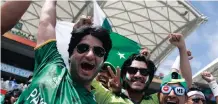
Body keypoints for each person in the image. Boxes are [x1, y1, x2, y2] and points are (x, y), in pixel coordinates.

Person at [15, 0, 112, 104]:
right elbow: (47, 21)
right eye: (83, 48)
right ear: (71, 54)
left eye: (99, 52)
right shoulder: (49, 63)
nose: (90, 55)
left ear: (102, 61)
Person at [92, 33, 192, 104]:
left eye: (144, 72)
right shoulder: (107, 97)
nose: (138, 75)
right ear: (123, 75)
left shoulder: (156, 100)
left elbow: (183, 83)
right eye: (132, 70)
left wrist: (181, 48)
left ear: (149, 78)